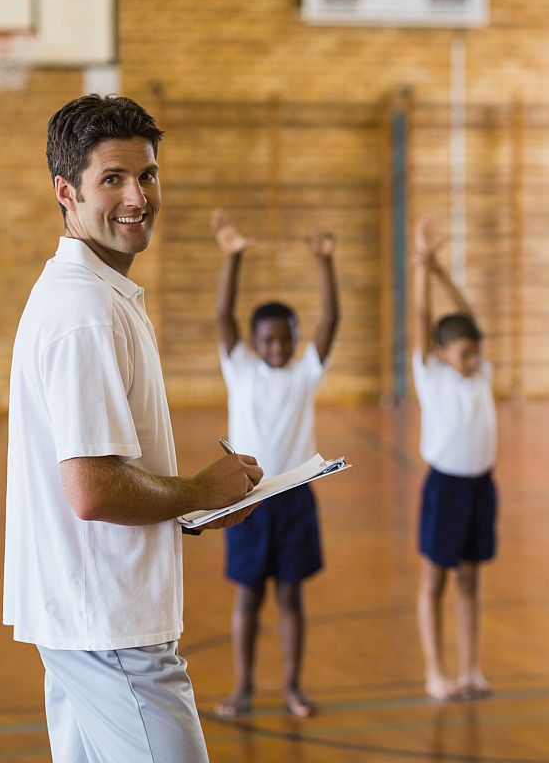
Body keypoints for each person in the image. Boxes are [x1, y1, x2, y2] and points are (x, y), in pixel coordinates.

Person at [4, 94, 262, 763]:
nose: (136, 196)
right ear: (66, 192)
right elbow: (91, 490)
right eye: (111, 179)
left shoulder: (94, 294)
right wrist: (198, 491)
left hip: (87, 620)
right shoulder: (86, 310)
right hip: (110, 628)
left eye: (146, 175)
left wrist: (190, 507)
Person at [211, 208, 340, 718]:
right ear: (253, 342)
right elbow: (223, 317)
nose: (278, 348)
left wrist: (326, 264)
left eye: (286, 338)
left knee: (290, 597)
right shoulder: (240, 368)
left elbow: (331, 321)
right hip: (247, 499)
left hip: (295, 496)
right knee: (247, 598)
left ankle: (291, 687)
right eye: (267, 340)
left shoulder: (304, 373)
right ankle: (243, 688)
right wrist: (233, 258)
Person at [412, 216, 497, 701]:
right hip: (445, 488)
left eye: (475, 351)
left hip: (480, 486)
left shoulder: (479, 374)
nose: (473, 358)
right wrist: (423, 269)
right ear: (442, 354)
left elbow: (471, 320)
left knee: (469, 582)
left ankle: (470, 670)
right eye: (464, 353)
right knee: (435, 582)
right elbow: (423, 319)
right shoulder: (432, 373)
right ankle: (435, 672)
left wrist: (443, 270)